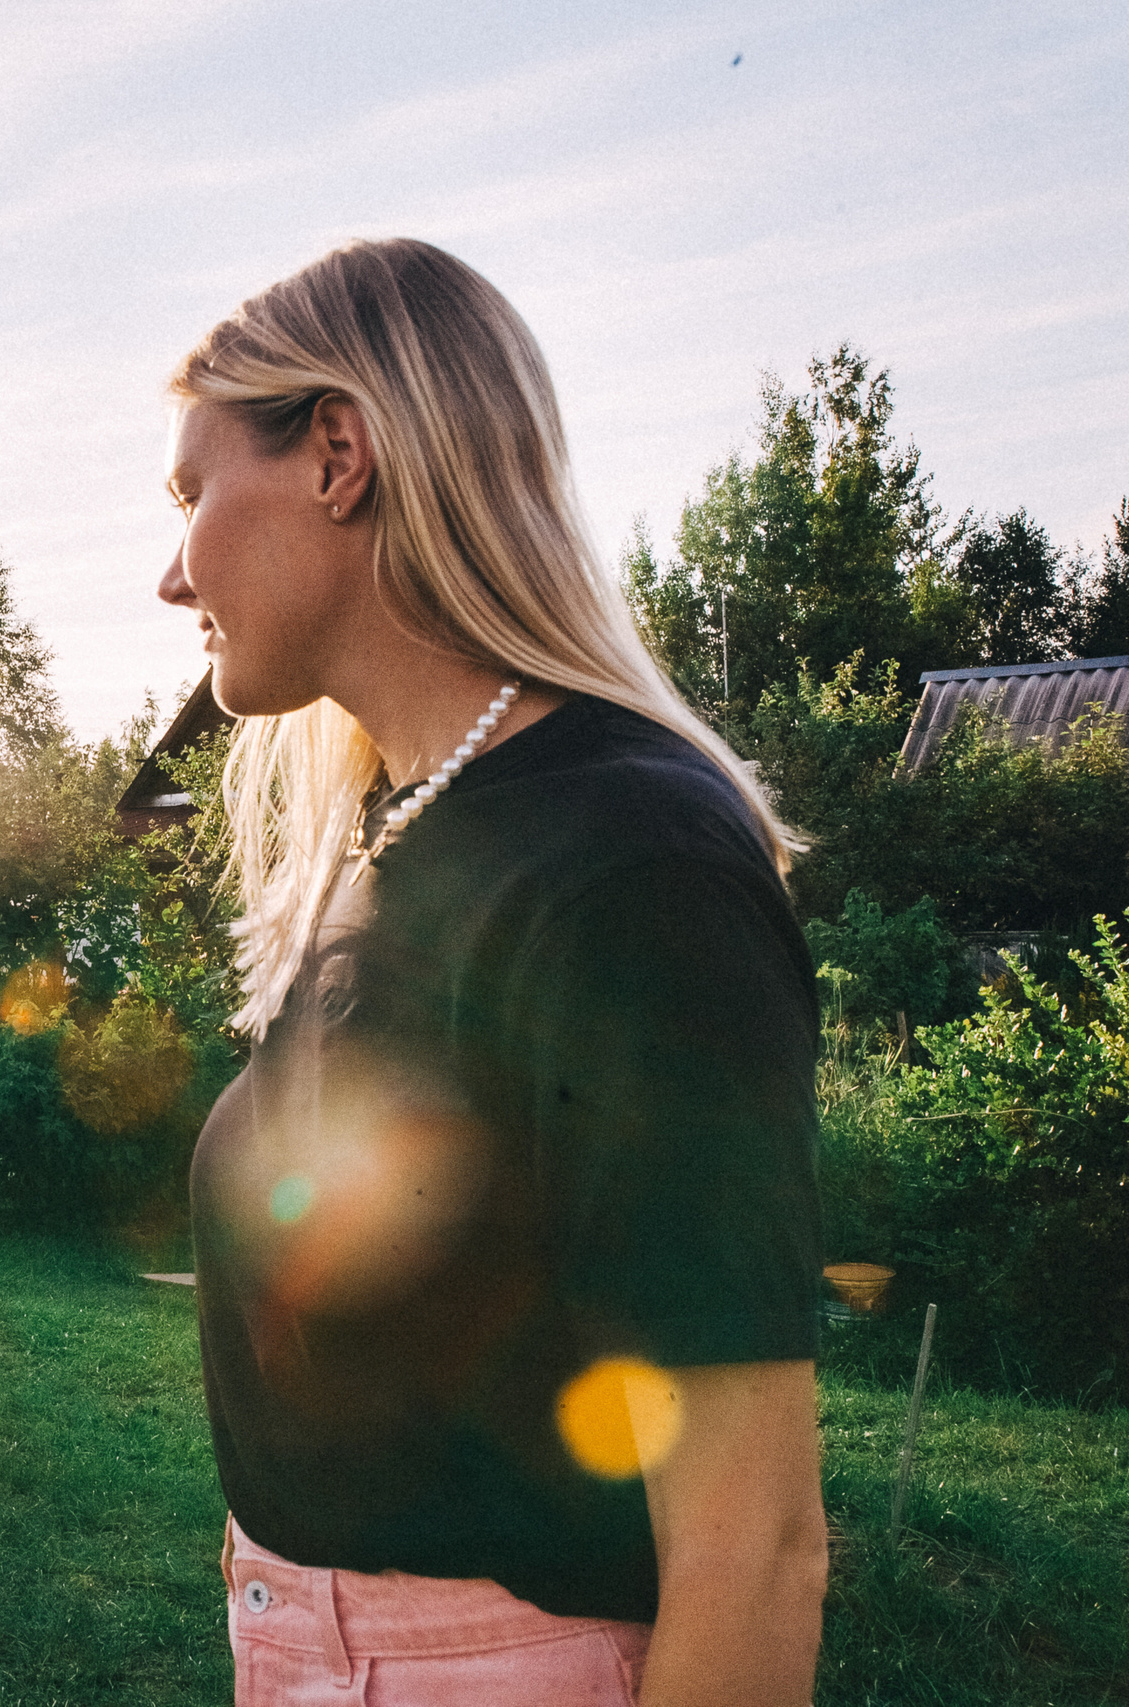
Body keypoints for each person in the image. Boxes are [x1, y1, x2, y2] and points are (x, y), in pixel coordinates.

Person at [158, 240, 826, 1706]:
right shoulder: (387, 840)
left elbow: (757, 1542)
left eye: (194, 491)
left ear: (340, 453)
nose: (170, 570)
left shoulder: (632, 858)